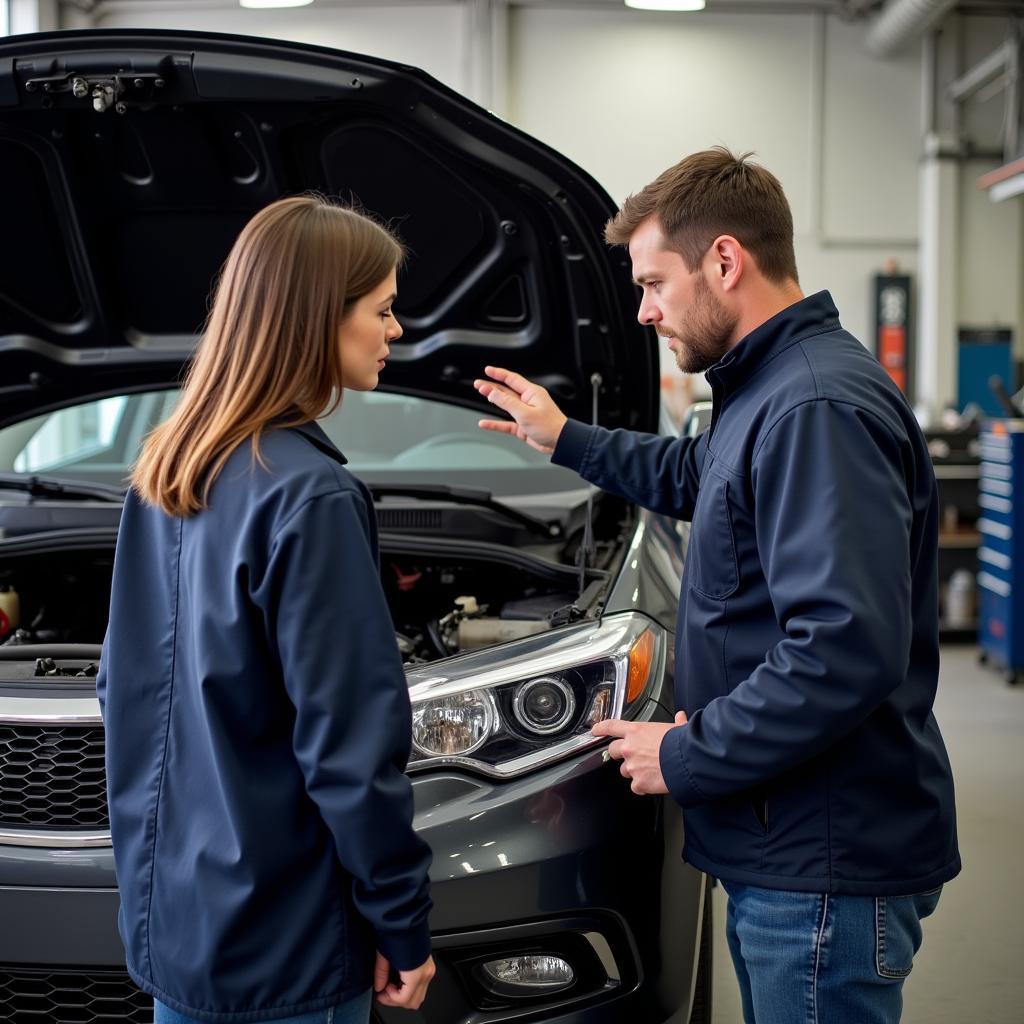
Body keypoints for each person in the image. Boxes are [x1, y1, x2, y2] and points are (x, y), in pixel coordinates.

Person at [474, 148, 959, 1024]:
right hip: (790, 842)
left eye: (655, 282)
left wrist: (686, 753)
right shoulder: (771, 388)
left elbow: (845, 649)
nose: (644, 310)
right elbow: (704, 475)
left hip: (822, 857)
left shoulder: (815, 407)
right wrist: (568, 439)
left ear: (725, 261)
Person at [97, 195, 435, 1024]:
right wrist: (403, 922)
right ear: (319, 316)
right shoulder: (312, 496)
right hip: (290, 944)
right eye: (383, 310)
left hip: (178, 930)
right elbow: (348, 748)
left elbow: (126, 693)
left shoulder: (165, 472)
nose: (396, 331)